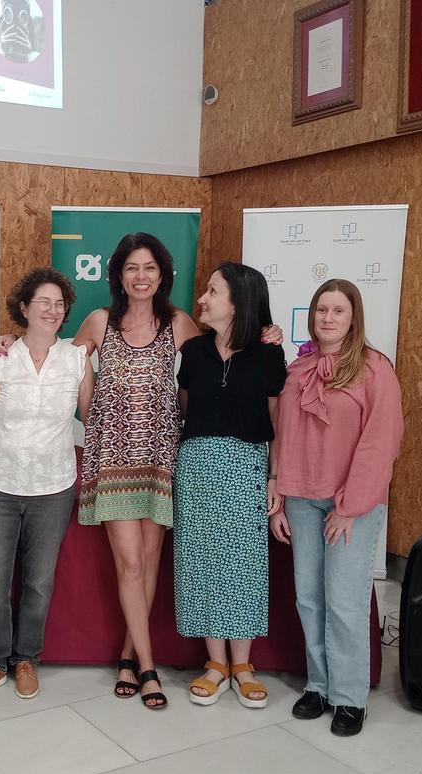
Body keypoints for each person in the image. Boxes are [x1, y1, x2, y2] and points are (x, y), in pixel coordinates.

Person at [0, 234, 283, 710]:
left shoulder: (180, 323)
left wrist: (266, 334)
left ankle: (129, 652)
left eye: (150, 267)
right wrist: (10, 340)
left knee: (147, 563)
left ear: (162, 274)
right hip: (112, 457)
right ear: (119, 275)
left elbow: (223, 355)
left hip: (165, 459)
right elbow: (57, 357)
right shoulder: (99, 322)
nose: (141, 276)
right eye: (132, 267)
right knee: (129, 563)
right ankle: (148, 668)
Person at [270, 278, 403, 737]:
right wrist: (279, 492)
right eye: (321, 310)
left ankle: (349, 697)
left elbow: (379, 443)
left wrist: (351, 506)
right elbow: (284, 434)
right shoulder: (296, 370)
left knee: (344, 601)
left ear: (354, 317)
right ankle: (319, 685)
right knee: (309, 597)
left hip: (351, 504)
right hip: (302, 498)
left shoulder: (375, 370)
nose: (328, 318)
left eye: (338, 311)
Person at [0, 267, 94, 701]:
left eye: (60, 304)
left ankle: (26, 659)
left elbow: (91, 421)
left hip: (54, 489)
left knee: (39, 582)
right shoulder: (1, 357)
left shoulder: (76, 359)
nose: (53, 310)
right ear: (24, 308)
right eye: (44, 302)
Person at [174, 263, 286, 708]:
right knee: (200, 560)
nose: (202, 298)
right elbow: (186, 410)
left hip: (246, 465)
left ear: (238, 302)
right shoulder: (195, 350)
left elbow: (277, 421)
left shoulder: (269, 353)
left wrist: (275, 477)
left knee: (243, 562)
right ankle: (215, 662)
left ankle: (242, 664)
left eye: (213, 291)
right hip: (197, 465)